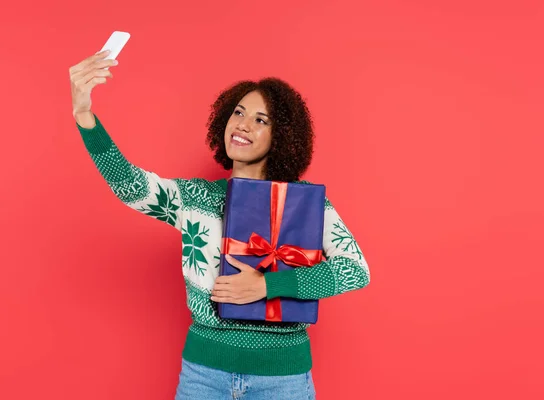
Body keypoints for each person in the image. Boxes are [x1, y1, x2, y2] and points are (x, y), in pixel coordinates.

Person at [69, 49, 371, 399]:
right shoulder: (194, 198)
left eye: (261, 120)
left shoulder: (305, 204)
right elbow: (130, 186)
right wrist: (84, 114)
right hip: (203, 376)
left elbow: (356, 270)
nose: (242, 124)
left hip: (282, 380)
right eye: (238, 113)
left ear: (282, 136)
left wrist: (268, 286)